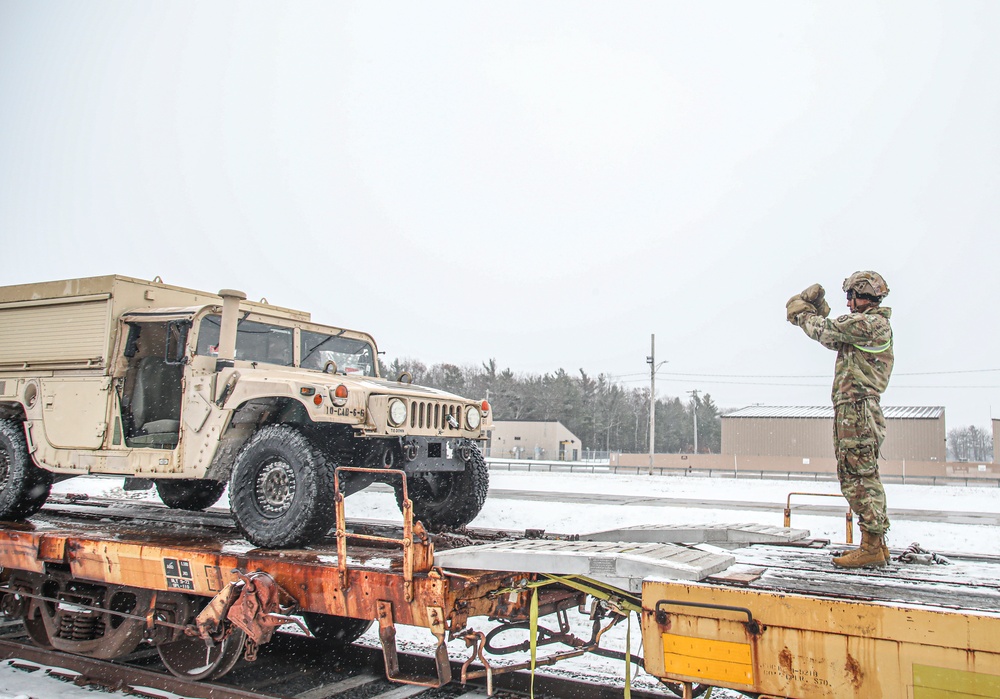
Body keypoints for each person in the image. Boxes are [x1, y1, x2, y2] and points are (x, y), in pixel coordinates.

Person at [786, 271, 894, 568]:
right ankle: (876, 544)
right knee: (864, 475)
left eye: (851, 296)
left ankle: (871, 545)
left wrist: (802, 313)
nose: (848, 302)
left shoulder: (870, 323)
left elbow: (828, 331)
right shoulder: (868, 326)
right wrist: (817, 313)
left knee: (855, 476)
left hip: (856, 409)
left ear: (866, 296)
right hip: (857, 409)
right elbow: (834, 336)